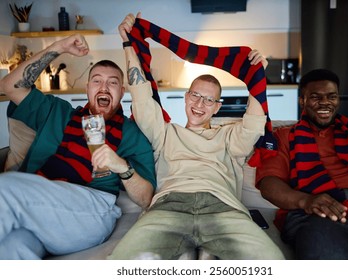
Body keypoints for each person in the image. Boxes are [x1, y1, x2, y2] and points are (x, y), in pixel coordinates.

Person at [107, 13, 285, 260]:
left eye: (208, 99)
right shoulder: (165, 132)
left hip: (222, 209)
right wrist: (128, 44)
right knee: (121, 264)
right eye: (195, 96)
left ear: (217, 106)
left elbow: (254, 123)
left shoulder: (228, 137)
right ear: (186, 97)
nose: (200, 104)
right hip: (168, 208)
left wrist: (257, 74)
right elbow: (141, 96)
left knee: (271, 263)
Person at [0, 34, 156, 259]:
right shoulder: (58, 112)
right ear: (87, 88)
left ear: (122, 92)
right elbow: (10, 86)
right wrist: (59, 47)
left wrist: (121, 167)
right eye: (97, 81)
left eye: (112, 82)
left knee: (5, 189)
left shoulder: (132, 134)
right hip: (41, 201)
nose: (104, 87)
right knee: (11, 248)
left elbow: (145, 198)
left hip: (90, 208)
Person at [256, 68, 348, 259]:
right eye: (315, 97)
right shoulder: (283, 136)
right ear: (302, 101)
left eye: (332, 96)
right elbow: (269, 185)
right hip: (319, 215)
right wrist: (307, 201)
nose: (325, 102)